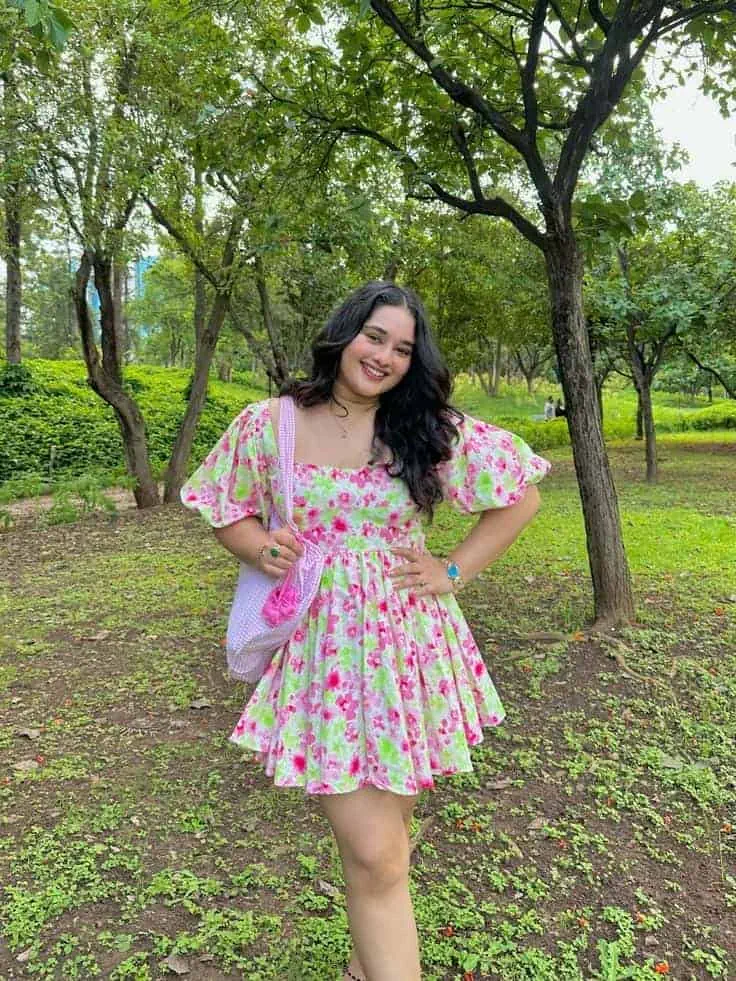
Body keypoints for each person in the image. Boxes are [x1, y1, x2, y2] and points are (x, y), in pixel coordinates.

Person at [180, 281, 550, 981]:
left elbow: (521, 496)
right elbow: (224, 504)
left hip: (412, 652)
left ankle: (364, 964)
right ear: (344, 333)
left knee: (386, 845)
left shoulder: (427, 427)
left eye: (403, 349)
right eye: (374, 337)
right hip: (328, 657)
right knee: (377, 855)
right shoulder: (271, 424)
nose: (384, 357)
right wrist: (260, 548)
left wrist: (453, 569)